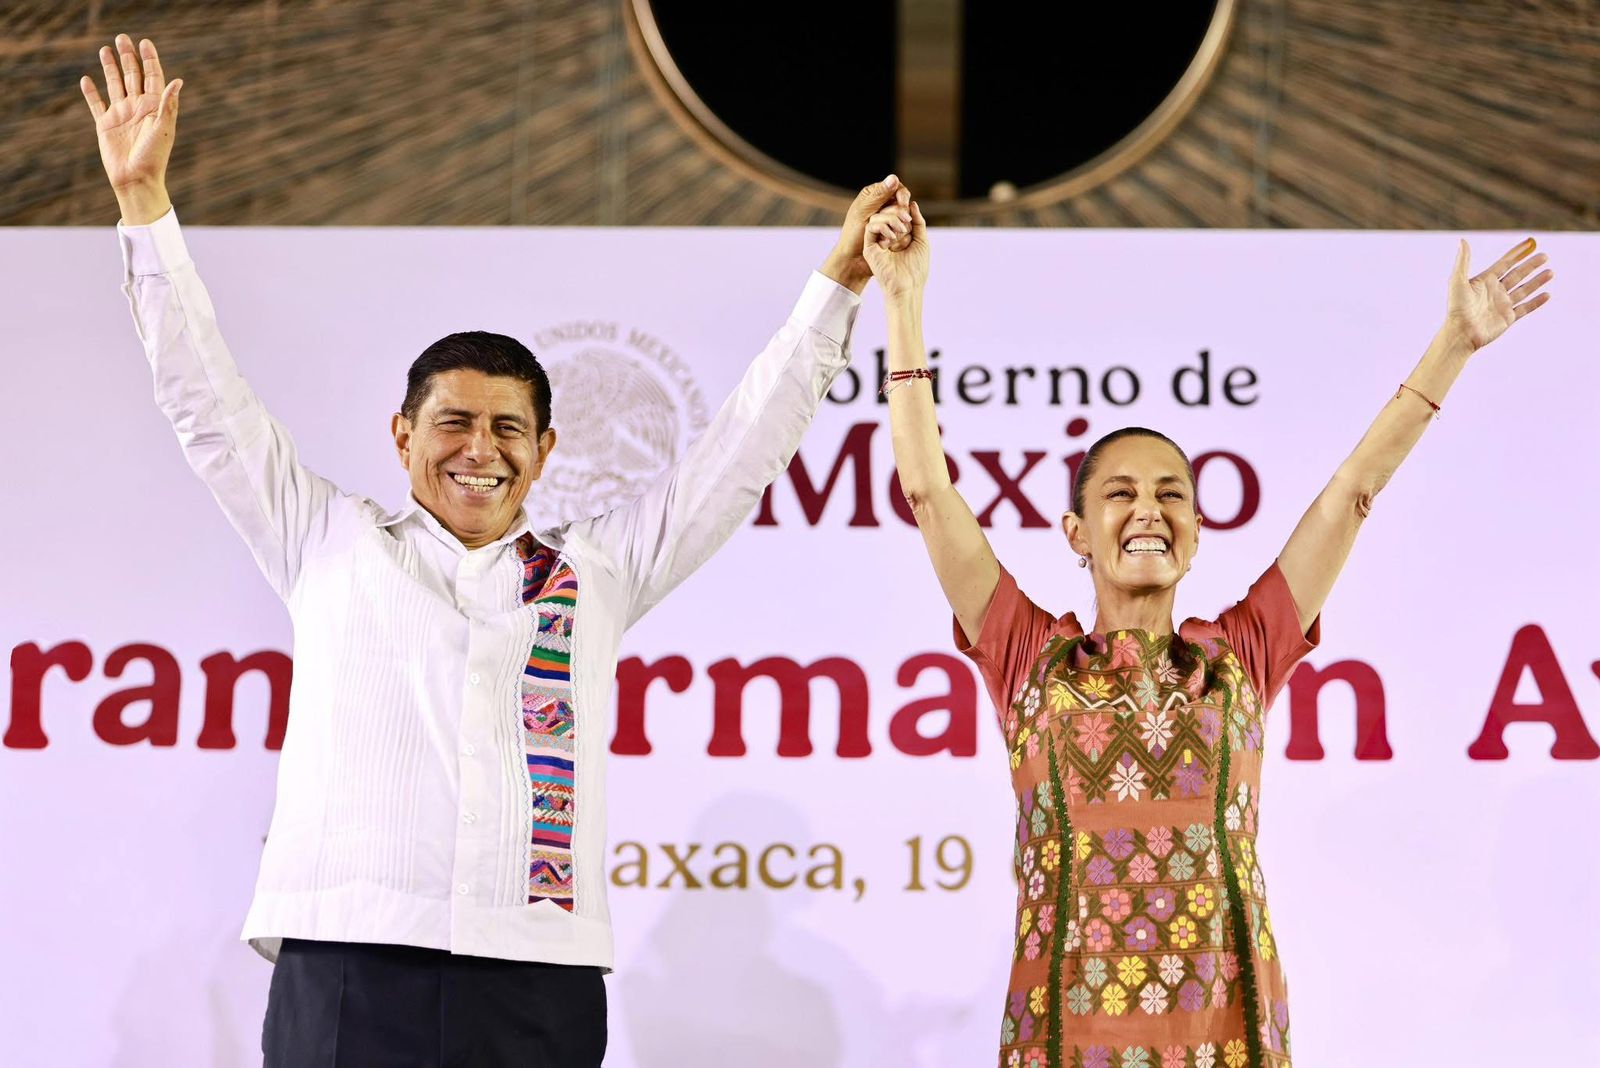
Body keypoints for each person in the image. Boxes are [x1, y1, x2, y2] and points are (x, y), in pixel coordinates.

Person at [81, 33, 914, 1067]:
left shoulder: (594, 571)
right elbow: (205, 403)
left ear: (544, 450)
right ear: (402, 436)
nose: (480, 451)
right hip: (348, 960)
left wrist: (837, 282)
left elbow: (736, 458)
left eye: (507, 429)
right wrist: (143, 206)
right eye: (453, 424)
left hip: (535, 976)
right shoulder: (327, 540)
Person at [859, 195, 1551, 1068]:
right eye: (1120, 494)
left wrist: (1453, 345)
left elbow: (1352, 493)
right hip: (1064, 1042)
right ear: (1076, 533)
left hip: (1230, 1039)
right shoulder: (1028, 656)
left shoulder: (1242, 656)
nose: (1149, 510)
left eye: (1171, 494)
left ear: (1197, 529)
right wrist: (903, 301)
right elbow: (929, 494)